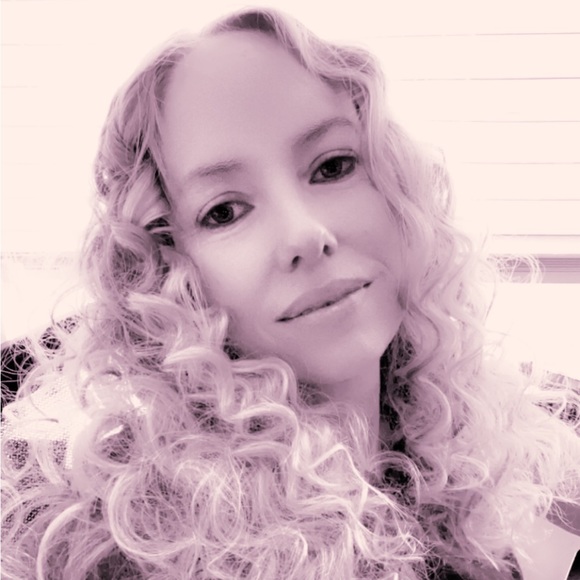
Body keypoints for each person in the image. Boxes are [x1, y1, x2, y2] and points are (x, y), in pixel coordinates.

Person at [2, 7, 579, 579]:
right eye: (224, 211)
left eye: (333, 167)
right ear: (169, 272)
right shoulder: (134, 547)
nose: (305, 234)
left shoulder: (479, 445)